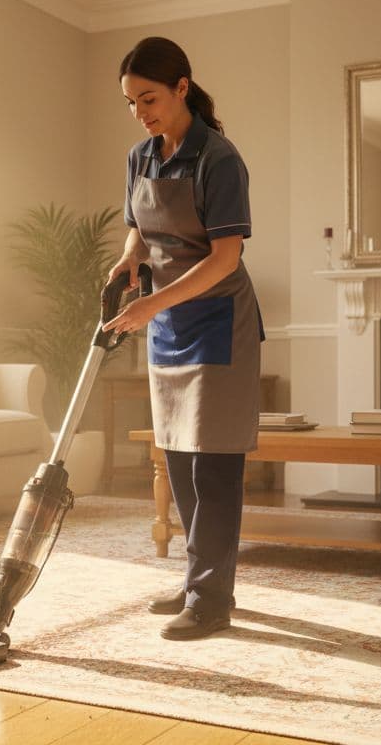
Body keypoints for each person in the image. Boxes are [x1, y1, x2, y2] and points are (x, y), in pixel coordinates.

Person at [102, 36, 263, 641]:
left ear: (181, 88)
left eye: (148, 99)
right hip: (168, 322)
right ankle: (200, 579)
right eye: (131, 103)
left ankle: (211, 599)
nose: (140, 113)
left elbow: (225, 258)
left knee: (212, 462)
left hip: (218, 319)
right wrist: (129, 259)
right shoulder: (140, 157)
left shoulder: (219, 159)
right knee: (178, 455)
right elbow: (139, 229)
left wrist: (152, 303)